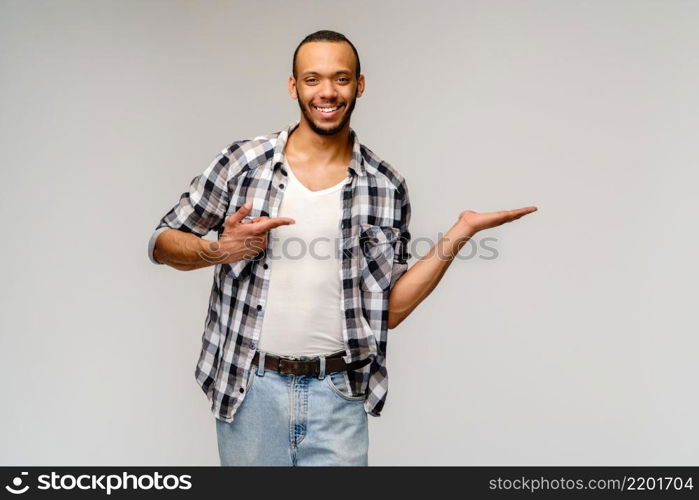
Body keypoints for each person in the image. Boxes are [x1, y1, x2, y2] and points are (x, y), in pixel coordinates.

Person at [147, 30, 537, 466]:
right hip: (249, 389)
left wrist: (458, 235)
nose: (327, 92)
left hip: (338, 394)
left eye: (341, 79)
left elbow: (385, 313)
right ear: (294, 86)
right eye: (312, 80)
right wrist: (219, 251)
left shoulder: (385, 186)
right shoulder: (243, 163)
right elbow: (162, 243)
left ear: (359, 85)